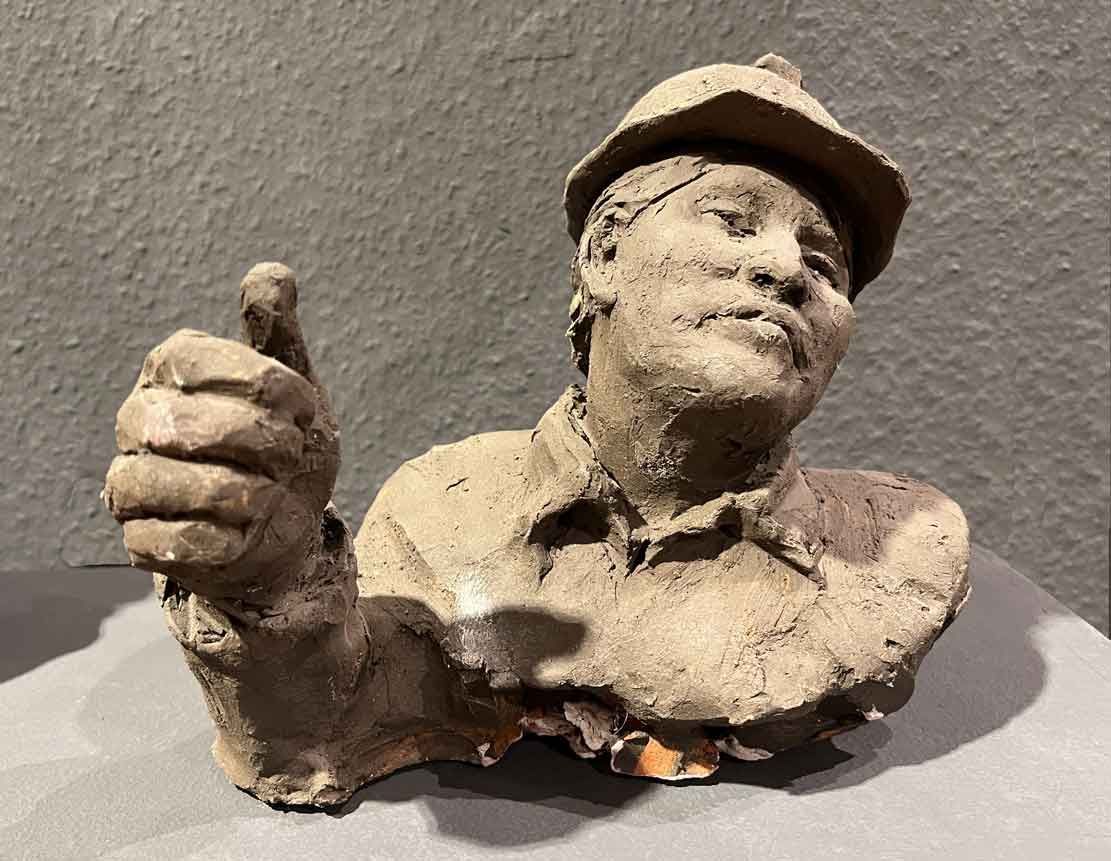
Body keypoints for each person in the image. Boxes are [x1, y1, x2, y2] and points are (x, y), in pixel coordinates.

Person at [102, 55, 969, 806]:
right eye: (731, 221)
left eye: (824, 263)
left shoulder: (904, 551)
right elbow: (317, 728)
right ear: (603, 255)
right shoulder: (443, 512)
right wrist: (266, 576)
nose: (784, 270)